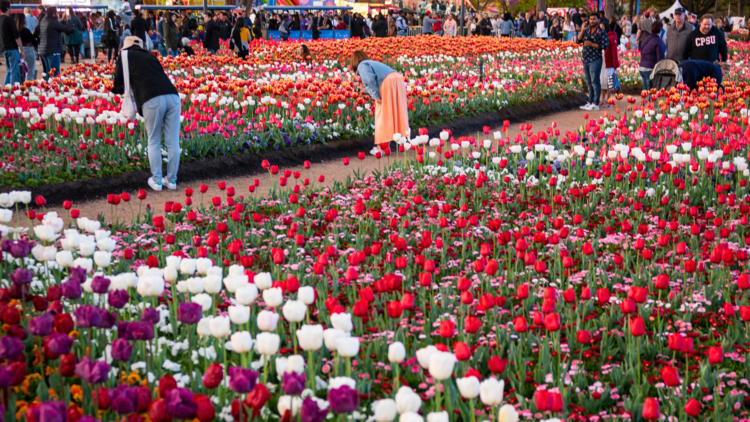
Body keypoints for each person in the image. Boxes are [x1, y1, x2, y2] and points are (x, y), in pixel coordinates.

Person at [112, 36, 180, 192]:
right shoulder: (150, 56)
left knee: (154, 140)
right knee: (172, 141)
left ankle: (156, 181)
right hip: (173, 96)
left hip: (152, 99)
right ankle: (171, 180)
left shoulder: (125, 56)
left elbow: (118, 83)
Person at [349, 50, 409, 155]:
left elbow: (369, 80)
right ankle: (397, 144)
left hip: (388, 82)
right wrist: (365, 91)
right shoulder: (371, 63)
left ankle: (380, 149)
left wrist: (375, 96)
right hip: (397, 80)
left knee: (383, 115)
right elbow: (376, 82)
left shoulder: (362, 65)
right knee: (397, 111)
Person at [577, 13, 608, 110]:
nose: (592, 21)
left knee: (595, 82)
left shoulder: (601, 32)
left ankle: (595, 103)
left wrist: (591, 44)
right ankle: (590, 102)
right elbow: (578, 40)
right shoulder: (587, 31)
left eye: (594, 19)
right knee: (589, 82)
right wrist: (582, 29)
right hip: (586, 59)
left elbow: (605, 45)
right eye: (590, 19)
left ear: (598, 20)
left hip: (595, 59)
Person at [35, 6, 72, 80]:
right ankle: (53, 89)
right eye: (56, 12)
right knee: (55, 74)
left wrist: (63, 19)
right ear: (53, 13)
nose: (57, 13)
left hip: (43, 50)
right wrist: (69, 19)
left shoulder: (44, 21)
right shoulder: (53, 22)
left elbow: (59, 26)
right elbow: (68, 29)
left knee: (48, 73)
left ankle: (47, 88)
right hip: (53, 50)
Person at [0, 1, 24, 86]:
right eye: (10, 8)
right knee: (14, 72)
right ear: (7, 8)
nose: (11, 9)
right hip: (12, 49)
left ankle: (5, 90)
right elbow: (16, 36)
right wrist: (21, 49)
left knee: (9, 71)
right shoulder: (10, 20)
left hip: (4, 48)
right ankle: (14, 91)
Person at [638, 21, 665, 90]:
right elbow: (660, 58)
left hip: (641, 66)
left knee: (645, 89)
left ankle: (644, 100)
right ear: (660, 30)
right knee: (651, 90)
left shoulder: (645, 39)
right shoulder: (658, 41)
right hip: (650, 67)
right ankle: (649, 100)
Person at [600, 20, 619, 106]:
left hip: (609, 62)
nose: (600, 29)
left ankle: (608, 100)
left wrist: (615, 64)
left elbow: (614, 52)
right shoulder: (601, 36)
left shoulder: (611, 37)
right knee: (602, 80)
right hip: (602, 61)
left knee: (609, 81)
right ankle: (602, 99)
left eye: (602, 27)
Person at [15, 13, 35, 81]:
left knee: (19, 70)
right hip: (28, 49)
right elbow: (34, 40)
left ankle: (20, 85)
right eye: (25, 18)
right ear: (22, 20)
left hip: (17, 50)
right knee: (30, 70)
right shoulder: (26, 30)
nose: (26, 20)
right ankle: (28, 87)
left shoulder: (15, 31)